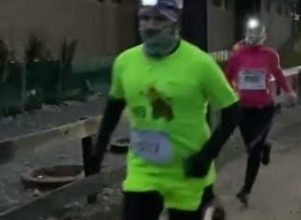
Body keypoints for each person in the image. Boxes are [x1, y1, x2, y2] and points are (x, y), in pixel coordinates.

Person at [88, 0, 239, 219]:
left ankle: (209, 202)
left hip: (187, 171)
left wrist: (206, 156)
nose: (150, 26)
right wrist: (98, 151)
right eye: (145, 18)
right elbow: (114, 107)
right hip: (143, 170)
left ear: (175, 22)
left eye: (159, 19)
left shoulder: (200, 63)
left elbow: (232, 111)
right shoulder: (125, 62)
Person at [226, 17, 296, 205]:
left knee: (253, 151)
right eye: (250, 33)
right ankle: (265, 145)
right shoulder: (237, 56)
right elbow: (227, 78)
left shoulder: (270, 54)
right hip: (243, 108)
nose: (253, 37)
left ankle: (246, 190)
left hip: (264, 108)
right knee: (251, 145)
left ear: (264, 36)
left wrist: (289, 91)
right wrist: (229, 96)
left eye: (257, 34)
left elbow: (278, 74)